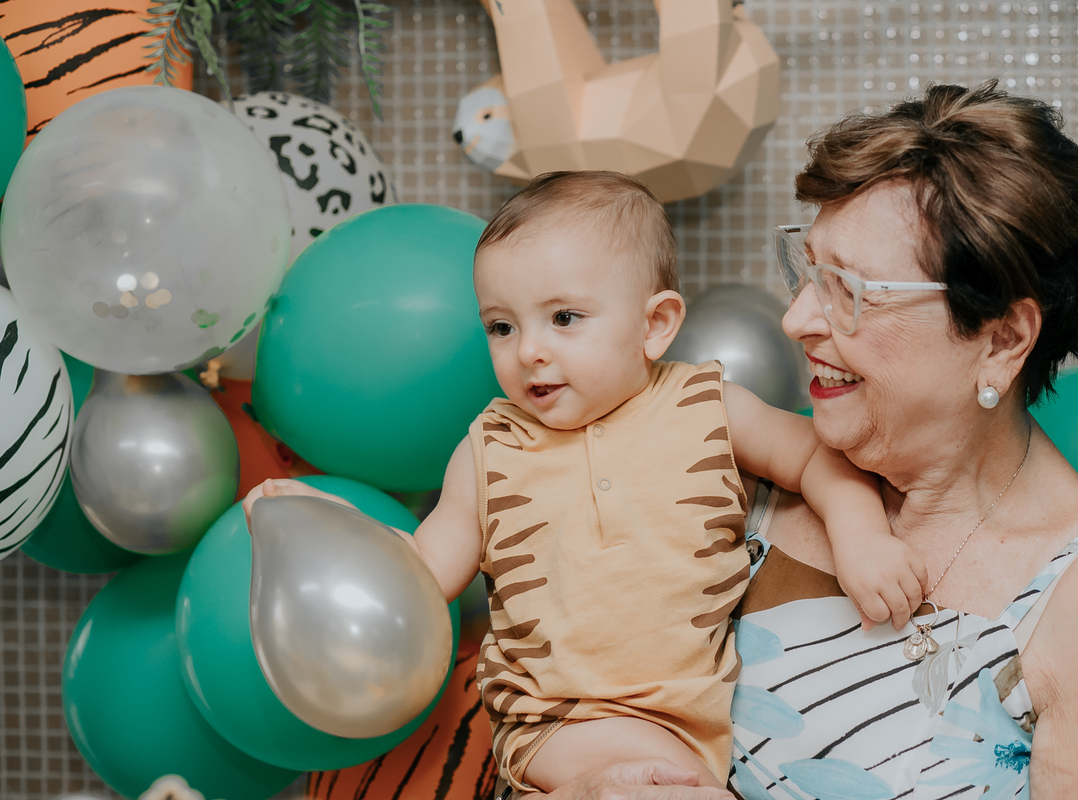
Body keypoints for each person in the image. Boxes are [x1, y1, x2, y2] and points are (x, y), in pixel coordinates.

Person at [520, 81, 1078, 800]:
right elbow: (542, 695)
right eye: (809, 270)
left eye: (851, 290)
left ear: (1001, 339)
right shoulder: (734, 472)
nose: (796, 319)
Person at [244, 171, 929, 796]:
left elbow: (814, 457)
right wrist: (330, 531)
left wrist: (862, 536)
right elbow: (424, 571)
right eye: (502, 326)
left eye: (564, 318)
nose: (529, 350)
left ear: (654, 325)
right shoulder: (491, 447)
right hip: (553, 727)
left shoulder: (708, 406)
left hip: (681, 723)